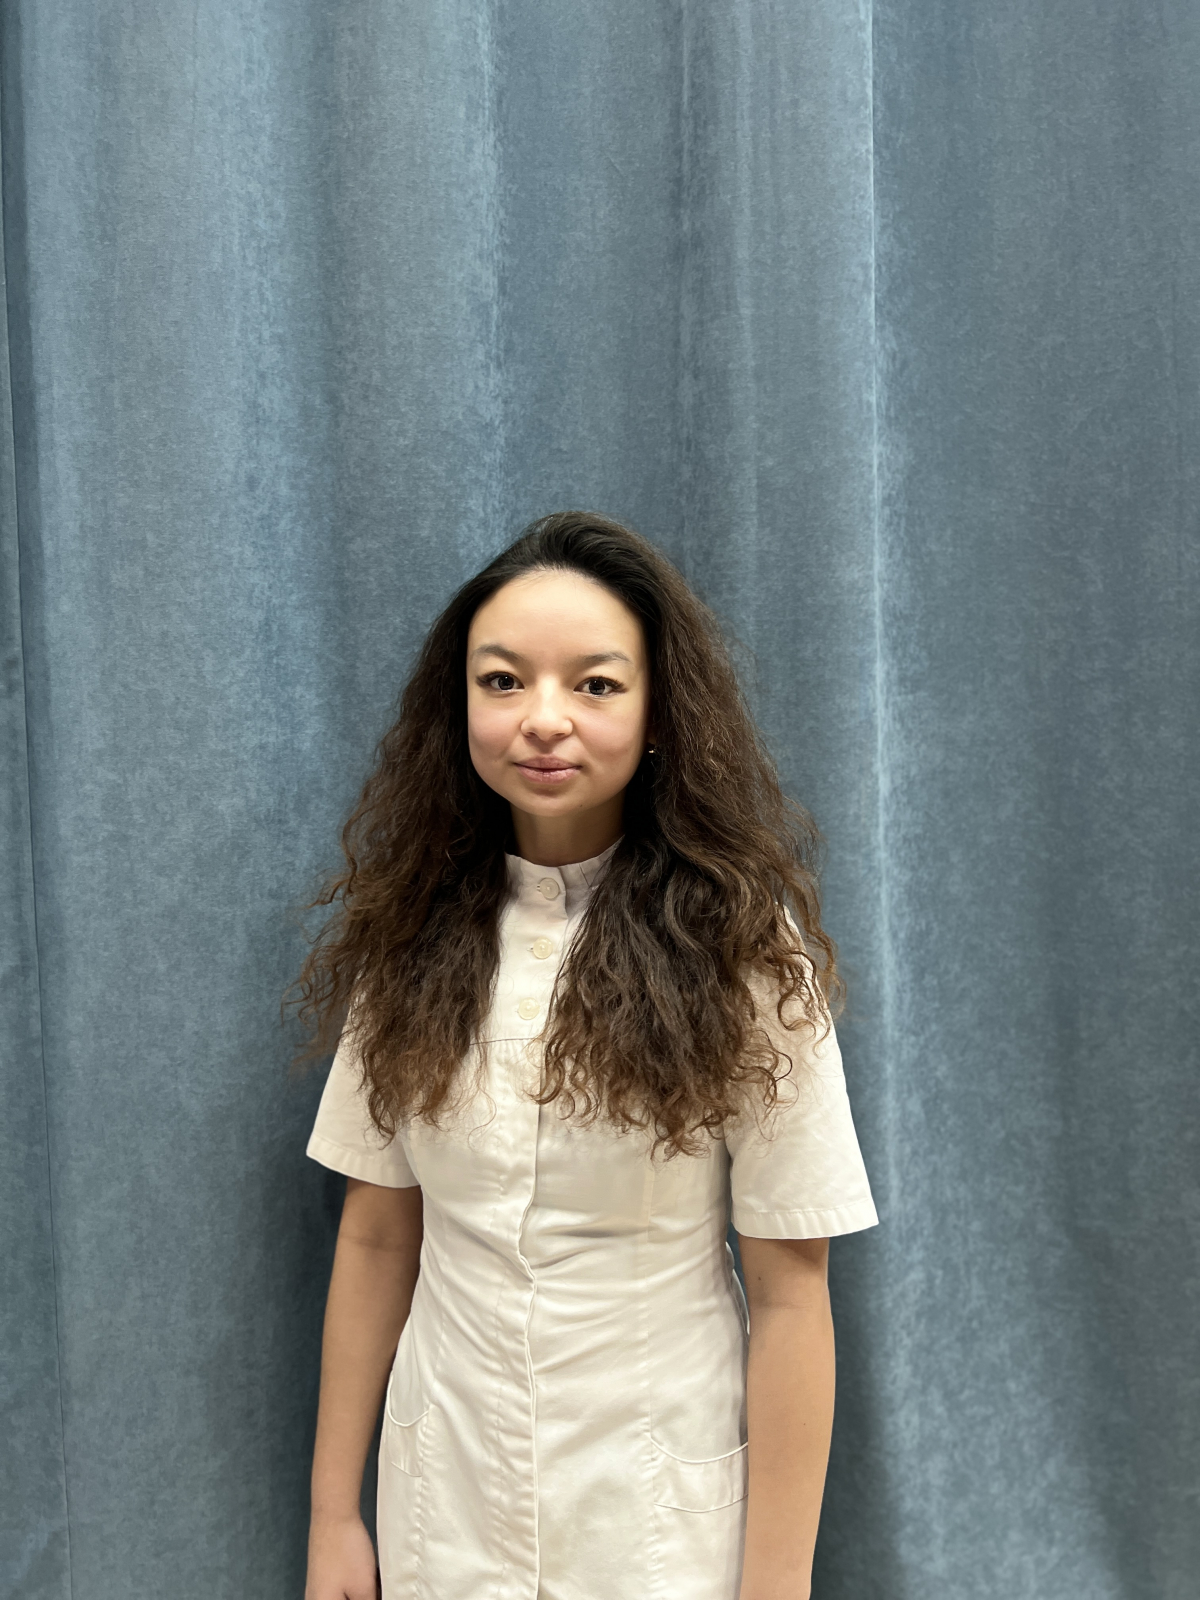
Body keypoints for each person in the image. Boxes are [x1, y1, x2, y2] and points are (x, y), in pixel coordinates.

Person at [293, 511, 878, 1600]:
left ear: (659, 713)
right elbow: (375, 1235)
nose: (544, 718)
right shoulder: (410, 935)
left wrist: (778, 1585)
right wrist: (335, 1514)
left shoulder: (746, 951)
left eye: (596, 684)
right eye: (503, 681)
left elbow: (793, 1295)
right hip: (443, 1501)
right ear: (460, 706)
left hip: (652, 1519)